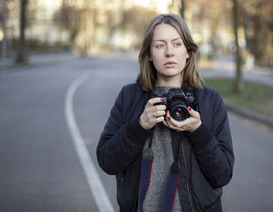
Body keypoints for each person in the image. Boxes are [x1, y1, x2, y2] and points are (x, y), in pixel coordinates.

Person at [96, 13, 234, 212]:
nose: (169, 52)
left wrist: (198, 132)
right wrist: (139, 126)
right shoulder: (129, 97)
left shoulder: (210, 101)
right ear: (150, 55)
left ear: (188, 51)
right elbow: (107, 162)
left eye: (177, 44)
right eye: (160, 45)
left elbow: (222, 175)